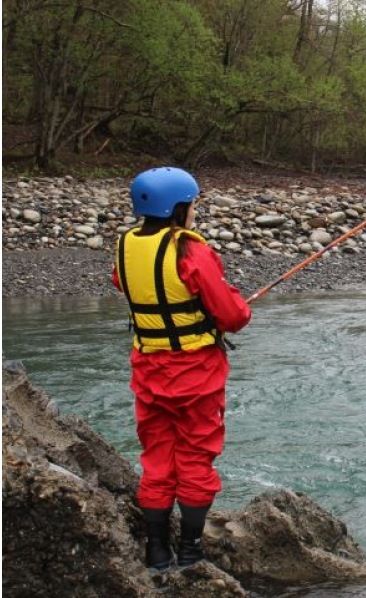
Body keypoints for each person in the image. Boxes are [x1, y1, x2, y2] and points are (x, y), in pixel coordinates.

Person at [112, 166, 251, 570]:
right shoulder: (190, 250)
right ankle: (190, 552)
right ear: (177, 208)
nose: (193, 211)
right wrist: (236, 304)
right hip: (196, 374)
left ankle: (156, 551)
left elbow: (124, 283)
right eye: (191, 204)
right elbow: (232, 315)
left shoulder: (124, 246)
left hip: (148, 369)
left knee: (156, 457)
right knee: (195, 456)